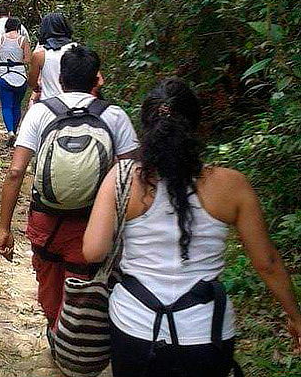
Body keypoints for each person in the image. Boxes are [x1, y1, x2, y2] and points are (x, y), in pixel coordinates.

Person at [82, 77, 301, 377]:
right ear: (197, 128)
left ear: (146, 128)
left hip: (134, 324)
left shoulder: (121, 178)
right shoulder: (231, 185)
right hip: (205, 330)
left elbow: (93, 251)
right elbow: (268, 263)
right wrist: (295, 316)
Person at [0, 45, 139, 326]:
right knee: (85, 287)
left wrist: (4, 227)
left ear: (61, 79)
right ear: (98, 79)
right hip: (94, 224)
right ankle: (78, 340)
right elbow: (133, 176)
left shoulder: (40, 114)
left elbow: (15, 172)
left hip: (46, 221)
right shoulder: (115, 117)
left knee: (50, 286)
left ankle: (55, 329)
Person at [0, 17, 31, 146]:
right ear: (18, 27)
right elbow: (27, 59)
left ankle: (10, 131)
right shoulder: (23, 40)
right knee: (17, 105)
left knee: (6, 106)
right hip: (20, 75)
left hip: (4, 74)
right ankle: (14, 131)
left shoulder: (1, 38)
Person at [27, 13, 77, 102]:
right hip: (75, 103)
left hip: (49, 105)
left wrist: (37, 88)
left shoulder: (39, 55)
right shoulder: (78, 50)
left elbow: (32, 82)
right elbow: (99, 81)